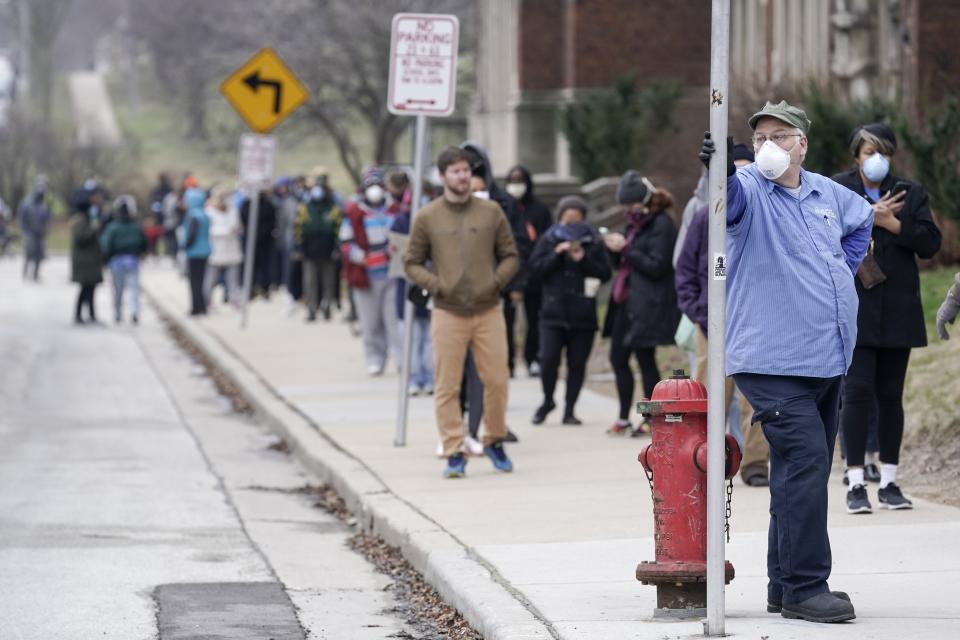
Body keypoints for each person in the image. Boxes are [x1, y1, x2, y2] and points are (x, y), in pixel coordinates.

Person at [699, 100, 873, 623]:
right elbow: (725, 206)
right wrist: (719, 171)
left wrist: (840, 269)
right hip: (771, 361)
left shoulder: (827, 193)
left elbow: (862, 223)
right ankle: (805, 586)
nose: (767, 146)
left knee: (795, 473)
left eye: (779, 136)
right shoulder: (750, 188)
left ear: (802, 143)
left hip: (827, 356)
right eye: (759, 139)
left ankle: (782, 584)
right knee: (807, 461)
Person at [832, 123, 941, 514]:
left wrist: (894, 224)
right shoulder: (840, 189)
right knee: (856, 394)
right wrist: (866, 218)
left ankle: (891, 481)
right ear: (855, 155)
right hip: (854, 309)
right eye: (866, 152)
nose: (873, 159)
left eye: (881, 152)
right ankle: (856, 481)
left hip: (898, 310)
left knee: (891, 397)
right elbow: (819, 234)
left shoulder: (909, 192)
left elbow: (931, 243)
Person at [405, 147, 519, 478]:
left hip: (488, 310)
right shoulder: (428, 216)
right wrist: (436, 284)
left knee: (496, 379)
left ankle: (495, 440)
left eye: (466, 170)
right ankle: (454, 449)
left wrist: (495, 282)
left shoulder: (491, 211)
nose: (462, 176)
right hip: (447, 311)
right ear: (443, 176)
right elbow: (411, 261)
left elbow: (510, 254)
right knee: (447, 385)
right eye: (455, 171)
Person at [675, 144, 771, 486]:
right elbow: (684, 271)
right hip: (711, 326)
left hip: (755, 324)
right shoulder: (704, 217)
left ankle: (756, 461)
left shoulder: (765, 216)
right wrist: (702, 313)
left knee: (755, 397)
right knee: (710, 396)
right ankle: (704, 459)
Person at [602, 172, 679, 437]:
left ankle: (652, 418)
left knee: (646, 361)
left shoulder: (661, 224)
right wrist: (613, 250)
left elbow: (658, 266)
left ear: (644, 199)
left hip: (649, 303)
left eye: (632, 204)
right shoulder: (634, 224)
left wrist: (626, 248)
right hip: (625, 302)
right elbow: (623, 265)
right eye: (626, 205)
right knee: (618, 358)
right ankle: (623, 417)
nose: (629, 209)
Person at [527, 195, 611, 425]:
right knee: (548, 359)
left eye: (577, 220)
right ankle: (547, 400)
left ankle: (570, 409)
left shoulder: (592, 241)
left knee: (577, 363)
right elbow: (535, 271)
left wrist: (582, 259)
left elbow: (604, 273)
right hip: (552, 313)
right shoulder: (548, 239)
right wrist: (556, 254)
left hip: (582, 314)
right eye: (568, 220)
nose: (572, 225)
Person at [461, 142, 533, 378]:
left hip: (498, 285)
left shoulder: (505, 204)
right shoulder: (448, 206)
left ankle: (502, 375)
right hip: (462, 288)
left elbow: (519, 246)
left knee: (499, 338)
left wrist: (515, 284)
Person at [340, 168, 401, 374]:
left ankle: (401, 357)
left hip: (391, 274)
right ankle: (375, 358)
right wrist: (361, 257)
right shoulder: (354, 213)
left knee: (394, 320)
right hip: (366, 277)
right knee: (370, 321)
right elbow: (346, 243)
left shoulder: (394, 210)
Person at [505, 165, 553, 377]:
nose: (516, 185)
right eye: (512, 180)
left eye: (520, 180)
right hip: (508, 272)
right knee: (507, 321)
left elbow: (546, 239)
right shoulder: (503, 208)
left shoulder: (539, 210)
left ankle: (533, 357)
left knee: (534, 319)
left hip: (533, 272)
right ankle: (508, 362)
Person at [390, 202, 434, 397]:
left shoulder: (435, 220)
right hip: (408, 286)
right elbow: (391, 251)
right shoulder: (400, 222)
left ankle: (430, 377)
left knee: (429, 336)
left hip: (430, 285)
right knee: (411, 335)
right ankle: (413, 378)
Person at [296, 181, 341, 321]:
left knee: (328, 282)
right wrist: (299, 248)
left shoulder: (333, 209)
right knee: (310, 282)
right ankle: (311, 309)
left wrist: (337, 248)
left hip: (328, 252)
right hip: (309, 252)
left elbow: (339, 230)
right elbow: (298, 230)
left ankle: (327, 307)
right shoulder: (305, 209)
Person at [100, 196, 147, 324]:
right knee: (134, 289)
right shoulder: (136, 226)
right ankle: (134, 312)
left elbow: (106, 244)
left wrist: (105, 259)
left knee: (118, 290)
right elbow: (144, 242)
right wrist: (142, 253)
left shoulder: (113, 227)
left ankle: (117, 313)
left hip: (116, 261)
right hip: (133, 260)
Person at [203, 188, 243, 309]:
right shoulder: (209, 211)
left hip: (231, 248)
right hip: (216, 249)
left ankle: (234, 298)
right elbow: (209, 230)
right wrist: (227, 231)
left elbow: (237, 224)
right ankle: (207, 300)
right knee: (211, 278)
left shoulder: (233, 210)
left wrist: (235, 229)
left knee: (233, 278)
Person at [70, 196, 104, 325]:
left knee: (91, 290)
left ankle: (91, 315)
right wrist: (93, 230)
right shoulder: (80, 222)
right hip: (85, 263)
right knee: (85, 290)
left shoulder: (86, 220)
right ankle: (79, 315)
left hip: (91, 262)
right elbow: (80, 239)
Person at [240, 188, 278, 299]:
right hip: (254, 241)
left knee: (263, 267)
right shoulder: (248, 205)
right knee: (253, 266)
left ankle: (263, 289)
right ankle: (252, 289)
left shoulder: (268, 205)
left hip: (264, 241)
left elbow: (273, 222)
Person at [181, 187, 211, 316]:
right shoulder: (204, 214)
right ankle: (203, 306)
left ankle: (196, 307)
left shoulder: (193, 215)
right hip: (205, 250)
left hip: (194, 252)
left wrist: (184, 246)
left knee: (194, 281)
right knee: (202, 280)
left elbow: (192, 235)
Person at [17, 175, 52, 282]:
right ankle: (25, 272)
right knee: (29, 252)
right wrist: (25, 230)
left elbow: (47, 219)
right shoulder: (27, 203)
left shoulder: (44, 205)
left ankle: (36, 274)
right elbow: (21, 218)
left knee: (39, 254)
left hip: (40, 233)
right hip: (29, 232)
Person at [936, 272, 960, 340]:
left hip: (955, 300)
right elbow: (957, 276)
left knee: (940, 319)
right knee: (940, 319)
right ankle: (944, 336)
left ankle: (944, 336)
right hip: (954, 299)